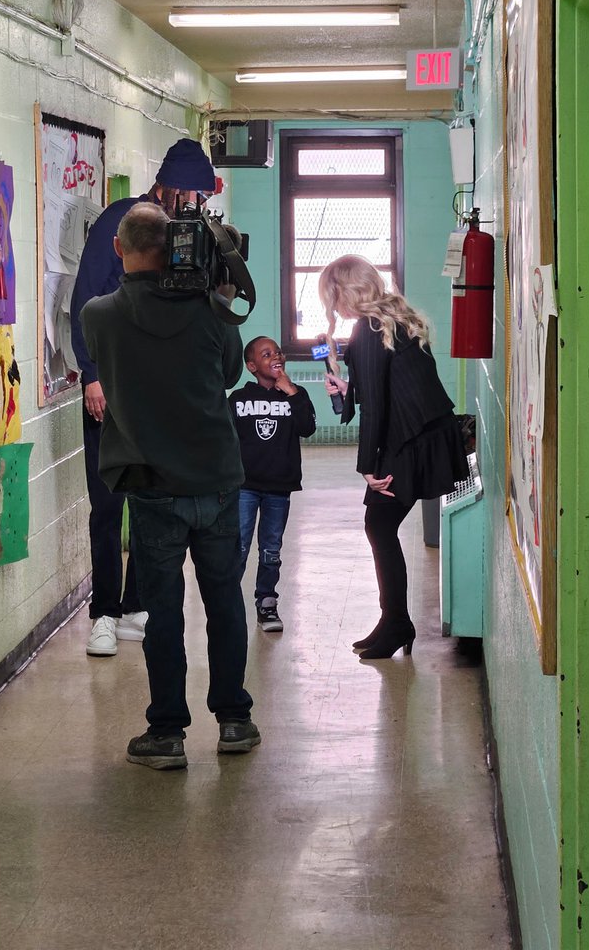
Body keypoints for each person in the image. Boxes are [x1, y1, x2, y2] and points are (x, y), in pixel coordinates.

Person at [80, 202, 260, 769]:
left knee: (164, 613)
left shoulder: (98, 314)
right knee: (225, 600)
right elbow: (230, 372)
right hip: (216, 481)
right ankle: (234, 720)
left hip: (153, 488)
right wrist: (217, 294)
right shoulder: (211, 312)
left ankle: (167, 732)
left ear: (118, 249)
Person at [70, 137, 217, 657]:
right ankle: (103, 613)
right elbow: (85, 299)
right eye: (189, 192)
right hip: (110, 390)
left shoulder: (189, 234)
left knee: (150, 502)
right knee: (107, 505)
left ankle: (135, 607)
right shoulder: (120, 224)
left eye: (202, 195)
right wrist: (91, 375)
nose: (194, 202)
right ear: (166, 183)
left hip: (157, 394)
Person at [319, 256, 469, 660]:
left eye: (333, 297)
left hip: (411, 439)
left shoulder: (368, 329)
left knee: (379, 526)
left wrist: (367, 466)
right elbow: (385, 387)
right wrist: (349, 386)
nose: (333, 307)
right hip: (426, 432)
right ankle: (393, 621)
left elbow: (378, 411)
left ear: (344, 291)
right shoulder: (392, 319)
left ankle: (396, 622)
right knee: (380, 527)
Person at [229, 337, 316, 632]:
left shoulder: (295, 396)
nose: (276, 356)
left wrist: (291, 390)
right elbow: (225, 442)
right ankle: (226, 604)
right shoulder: (238, 400)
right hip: (244, 487)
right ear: (252, 366)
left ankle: (267, 602)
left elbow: (307, 427)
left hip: (279, 487)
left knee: (271, 549)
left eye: (278, 351)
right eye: (267, 354)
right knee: (238, 545)